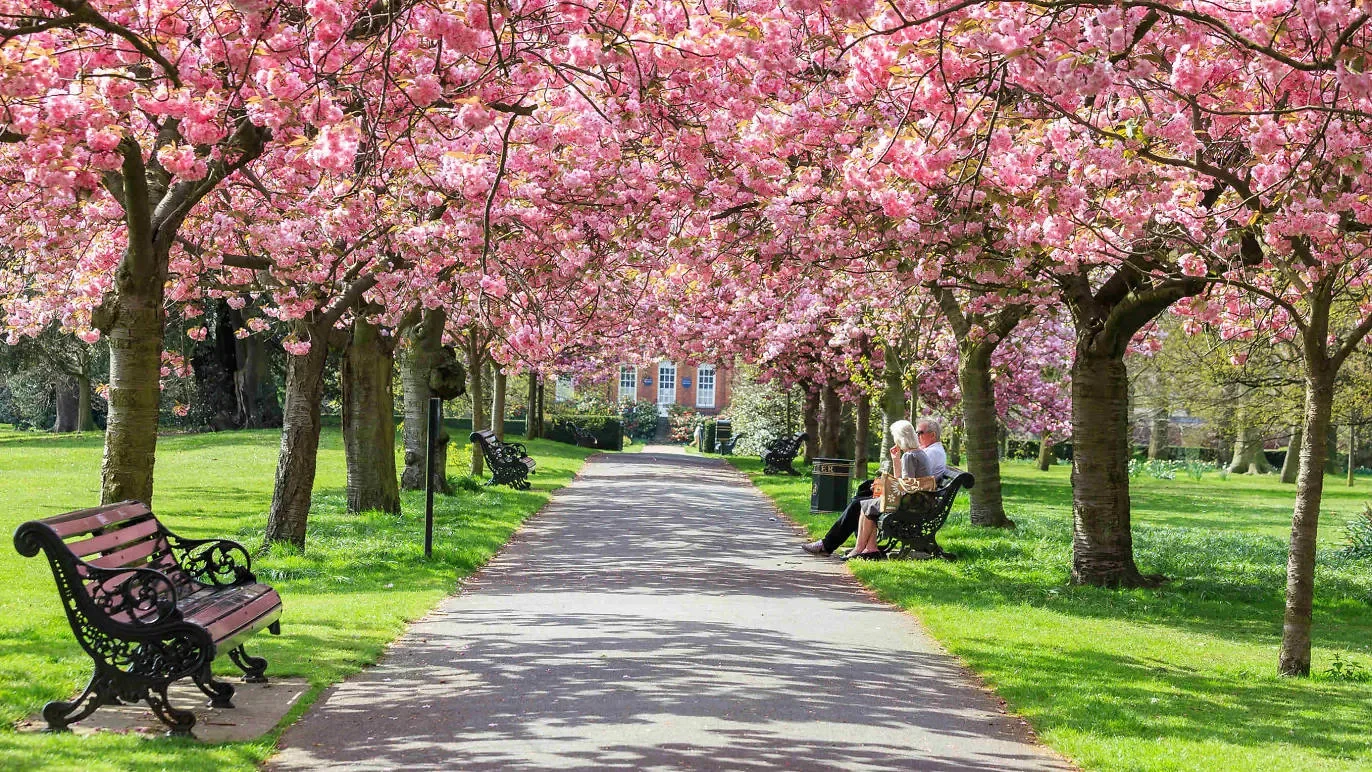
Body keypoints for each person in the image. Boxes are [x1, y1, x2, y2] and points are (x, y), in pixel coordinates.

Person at [801, 419, 932, 559]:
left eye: (895, 436)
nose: (894, 439)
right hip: (915, 501)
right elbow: (905, 482)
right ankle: (866, 548)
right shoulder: (917, 453)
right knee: (861, 502)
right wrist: (895, 460)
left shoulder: (910, 456)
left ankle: (857, 548)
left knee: (862, 504)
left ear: (901, 437)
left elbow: (906, 486)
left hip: (910, 504)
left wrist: (884, 486)